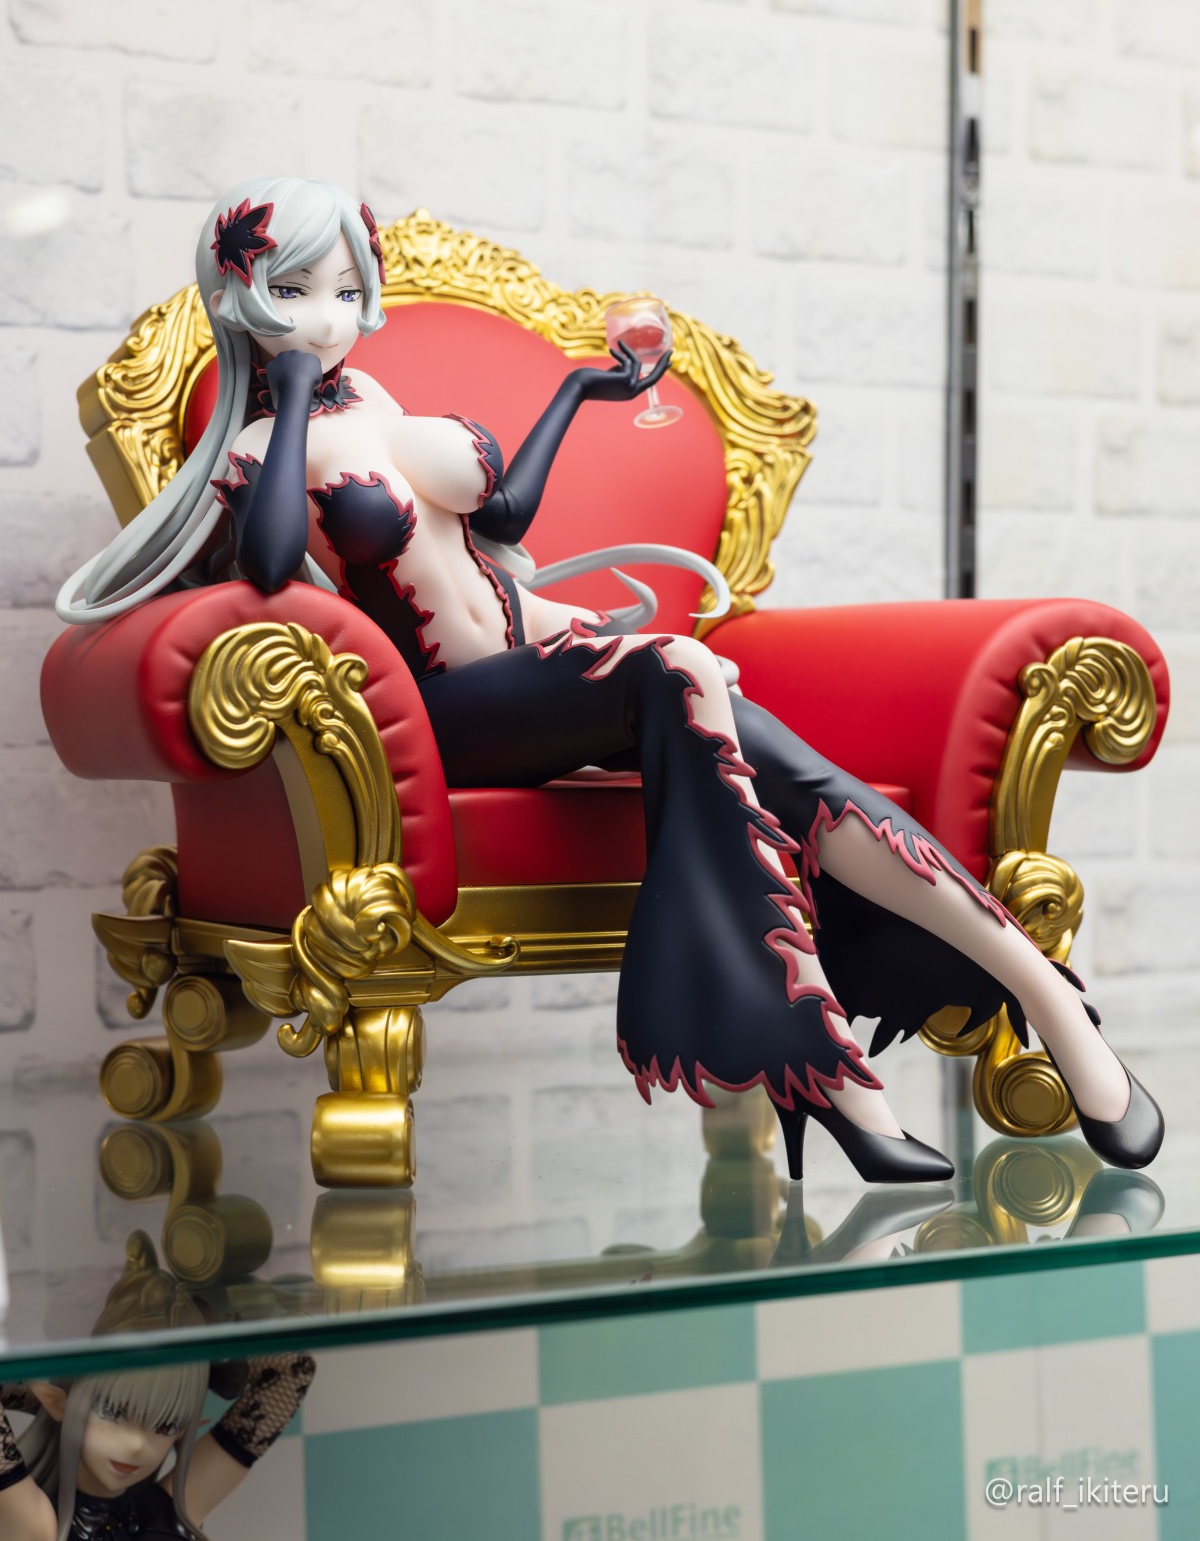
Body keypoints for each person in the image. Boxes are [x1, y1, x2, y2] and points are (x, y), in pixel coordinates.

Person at [57, 178, 1164, 1183]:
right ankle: (836, 1051)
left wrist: (580, 396)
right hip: (439, 717)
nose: (329, 318)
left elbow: (495, 529)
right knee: (680, 667)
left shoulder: (383, 405)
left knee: (771, 753)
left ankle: (1037, 1000)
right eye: (297, 291)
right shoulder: (257, 447)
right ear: (241, 295)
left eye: (346, 290)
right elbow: (266, 566)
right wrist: (291, 391)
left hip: (531, 668)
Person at [0, 1236, 313, 1541]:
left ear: (184, 1428)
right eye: (112, 1411)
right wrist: (52, 1405)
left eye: (165, 1424)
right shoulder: (37, 1524)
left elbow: (293, 1368)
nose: (137, 1444)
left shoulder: (172, 1510)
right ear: (56, 1402)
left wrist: (208, 1331)